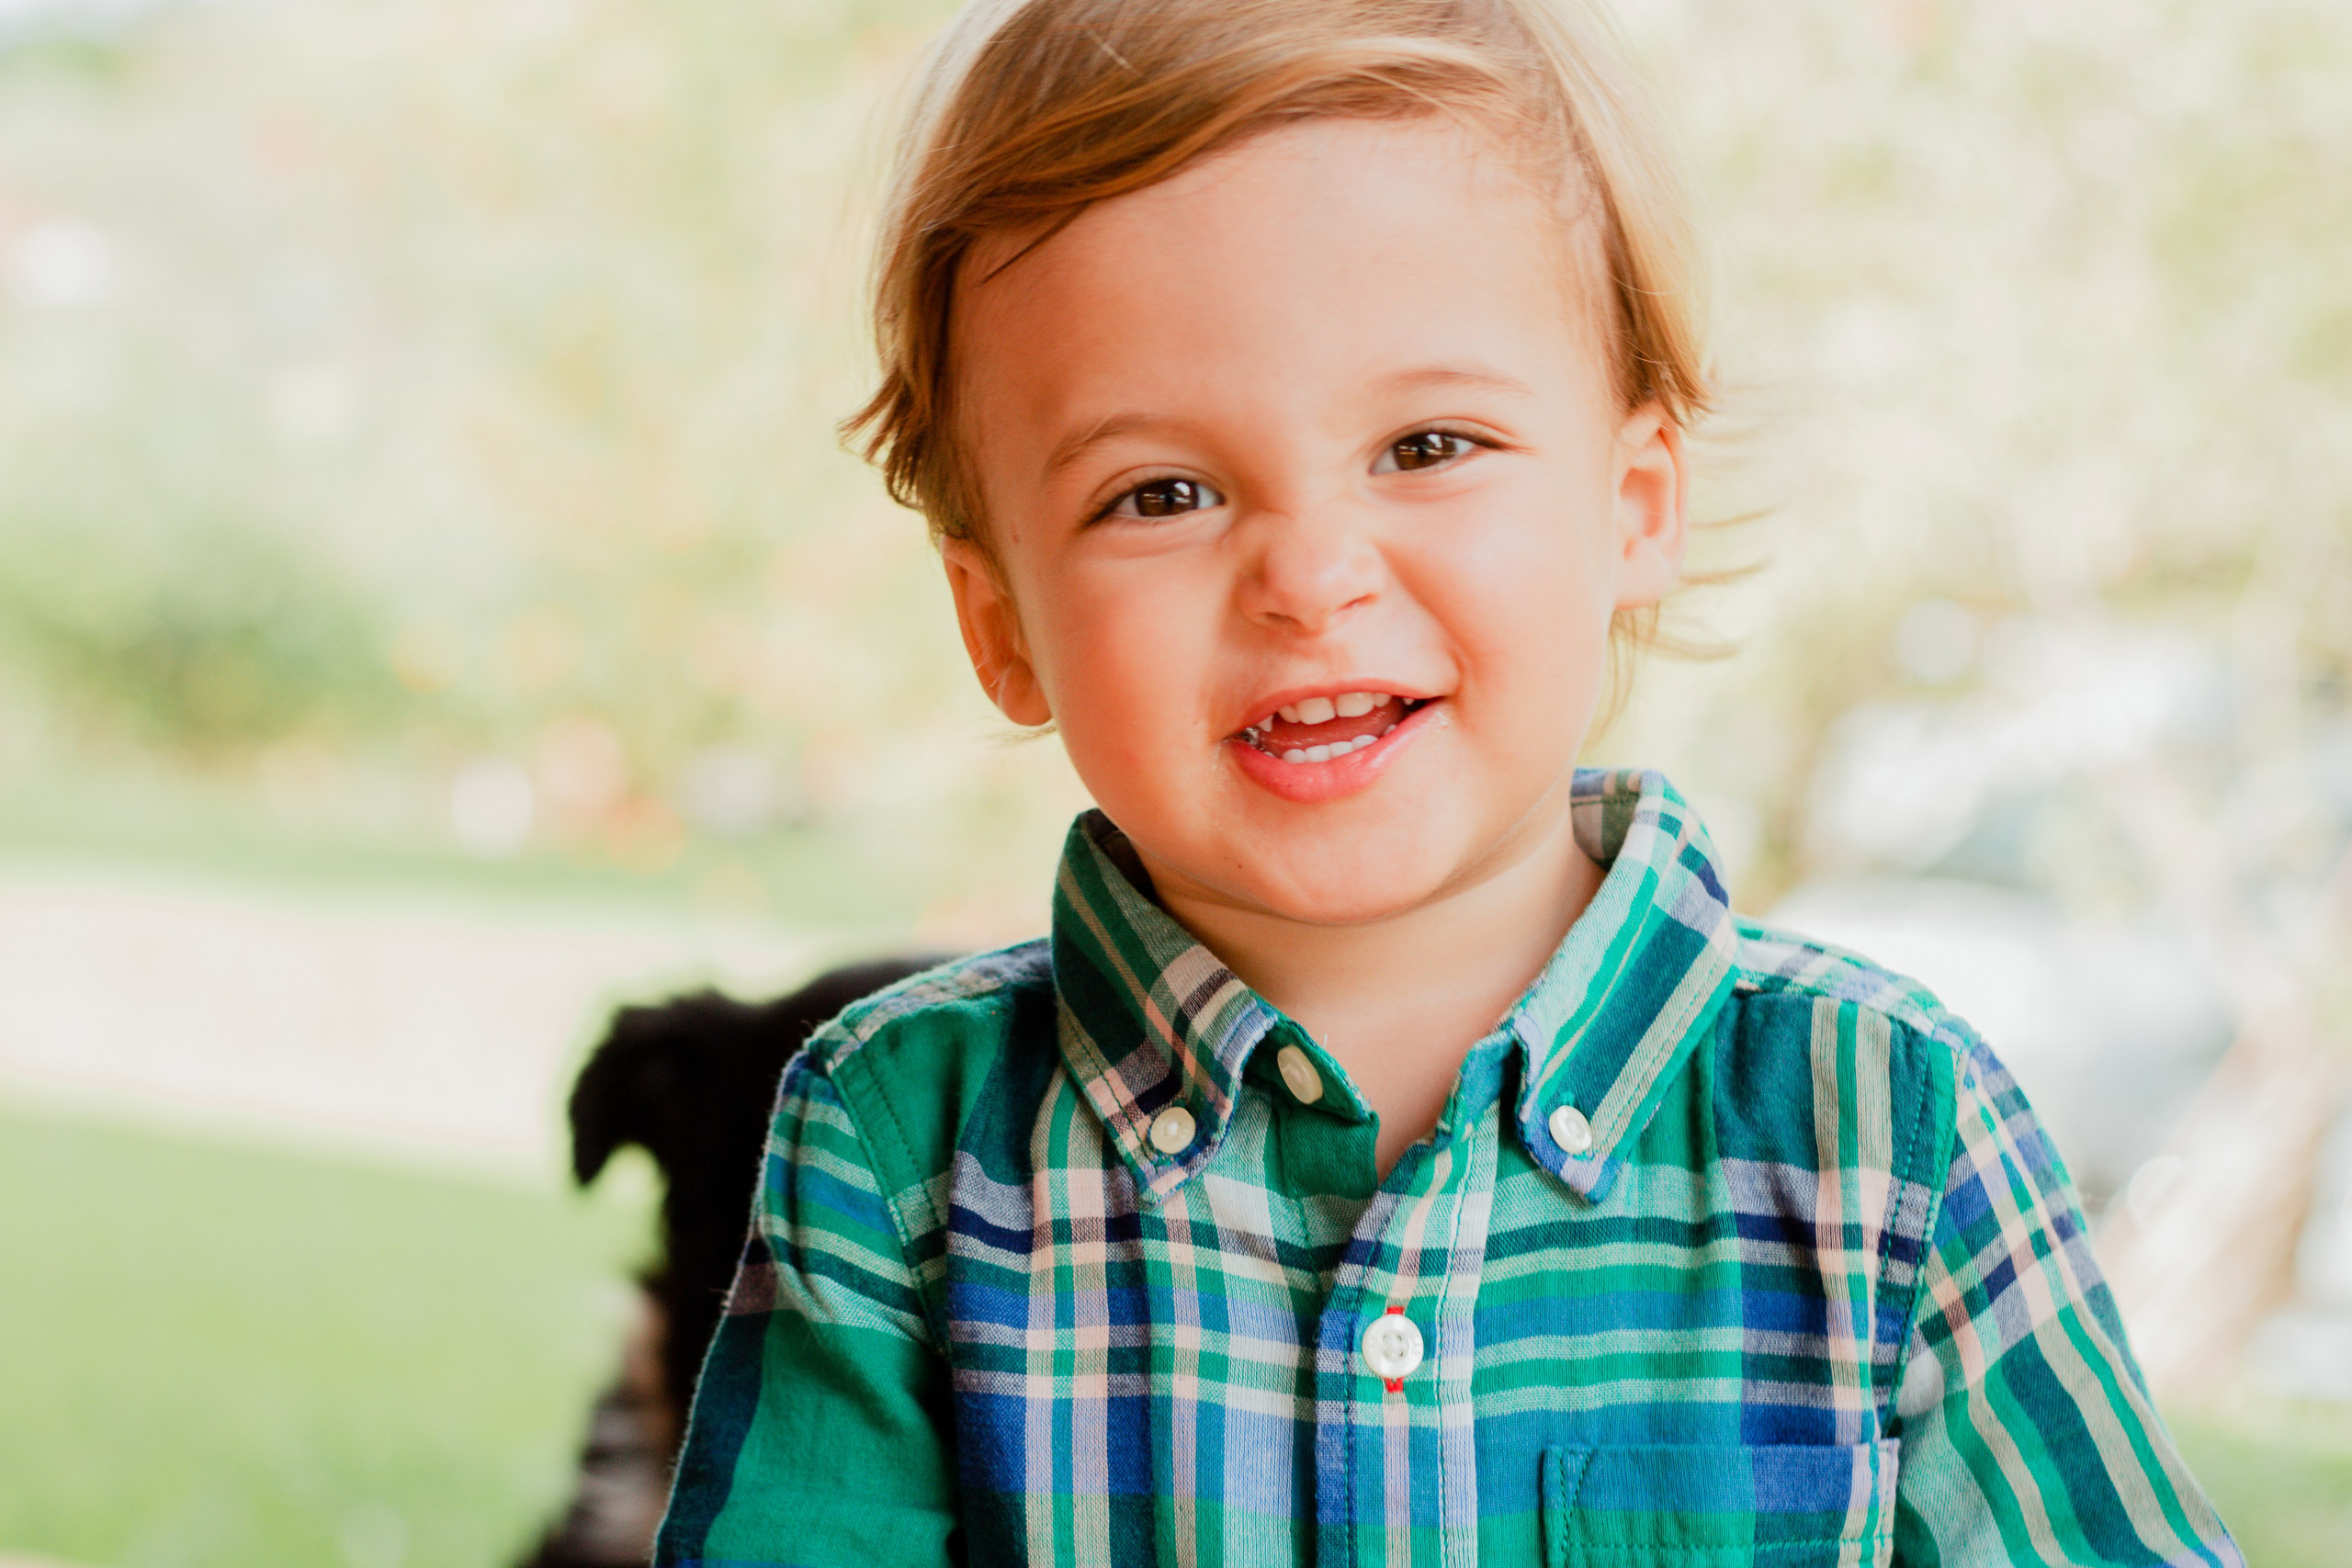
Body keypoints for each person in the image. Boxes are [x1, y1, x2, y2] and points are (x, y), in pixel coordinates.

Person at [654, 1, 2240, 1562]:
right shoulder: (897, 1148)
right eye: (1164, 491)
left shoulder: (1890, 1133)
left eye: (1427, 446)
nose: (1312, 575)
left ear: (1631, 508)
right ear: (1001, 624)